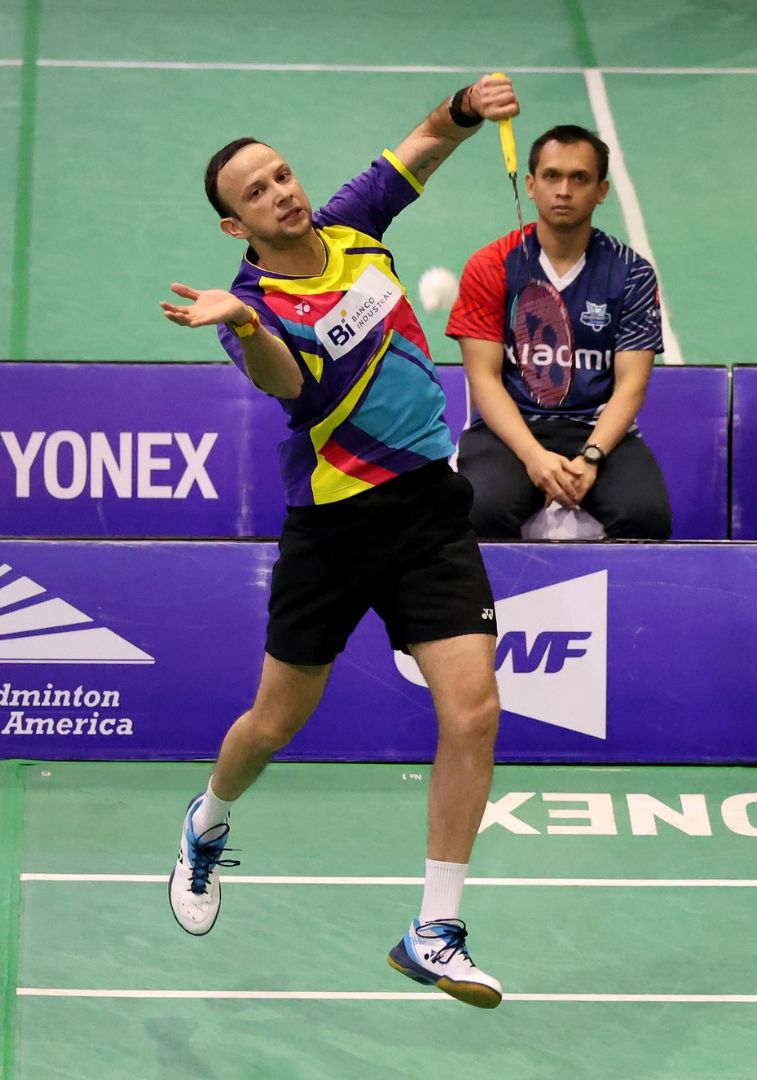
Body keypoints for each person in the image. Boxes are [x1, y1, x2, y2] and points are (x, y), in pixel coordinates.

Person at [157, 73, 522, 1009]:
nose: (280, 192)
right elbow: (292, 388)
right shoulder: (251, 309)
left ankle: (433, 931)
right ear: (236, 227)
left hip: (430, 507)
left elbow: (422, 147)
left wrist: (468, 106)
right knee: (275, 724)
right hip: (335, 526)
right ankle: (208, 820)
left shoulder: (354, 227)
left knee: (473, 712)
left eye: (280, 175)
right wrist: (241, 319)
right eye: (256, 192)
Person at [446, 124, 671, 540]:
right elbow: (484, 379)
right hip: (512, 427)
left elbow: (631, 386)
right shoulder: (491, 265)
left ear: (601, 190)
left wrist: (591, 456)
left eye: (579, 178)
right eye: (551, 176)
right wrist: (533, 456)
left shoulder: (631, 273)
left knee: (646, 516)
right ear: (530, 185)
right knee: (478, 510)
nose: (563, 190)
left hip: (597, 429)